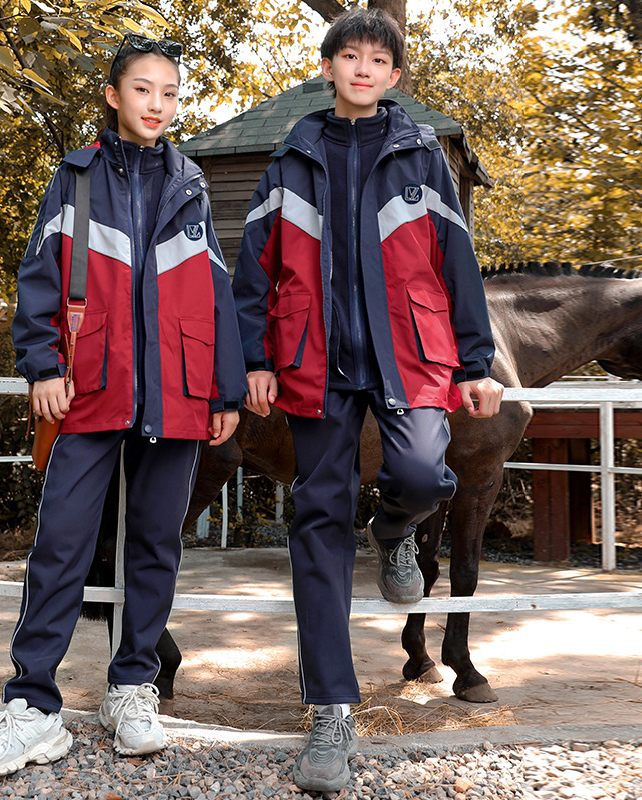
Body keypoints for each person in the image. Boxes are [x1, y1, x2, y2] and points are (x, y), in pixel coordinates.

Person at [0, 34, 247, 777]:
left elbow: (214, 291)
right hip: (87, 391)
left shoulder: (191, 183)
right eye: (144, 89)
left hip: (178, 396)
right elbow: (39, 276)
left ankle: (131, 688)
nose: (158, 104)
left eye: (171, 93)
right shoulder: (75, 179)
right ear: (114, 96)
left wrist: (224, 387)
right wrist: (41, 363)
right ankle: (32, 706)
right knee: (62, 546)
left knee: (157, 546)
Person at [233, 7, 504, 793]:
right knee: (316, 522)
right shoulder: (290, 160)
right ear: (329, 69)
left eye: (374, 59)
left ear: (392, 76)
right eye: (346, 56)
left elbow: (458, 263)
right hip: (313, 360)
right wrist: (254, 359)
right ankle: (329, 712)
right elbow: (254, 271)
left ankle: (394, 531)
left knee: (422, 476)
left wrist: (476, 361)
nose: (360, 68)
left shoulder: (423, 158)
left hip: (411, 354)